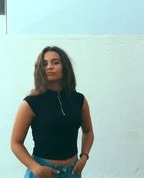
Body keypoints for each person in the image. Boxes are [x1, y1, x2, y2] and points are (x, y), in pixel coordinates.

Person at [11, 46, 94, 178]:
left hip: (72, 172)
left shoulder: (79, 100)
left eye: (55, 62)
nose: (49, 67)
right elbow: (15, 142)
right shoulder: (31, 103)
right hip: (43, 172)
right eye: (45, 64)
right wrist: (35, 168)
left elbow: (88, 131)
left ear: (65, 66)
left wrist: (84, 156)